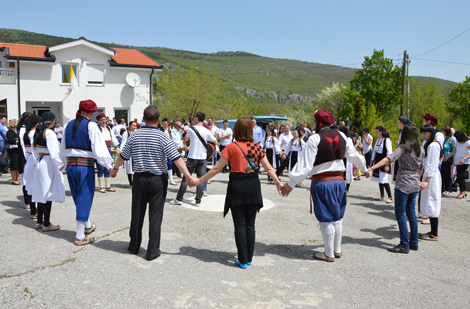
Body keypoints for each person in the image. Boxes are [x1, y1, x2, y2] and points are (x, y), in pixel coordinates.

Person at [190, 117, 281, 268]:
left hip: (237, 186)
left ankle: (242, 259)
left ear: (237, 130)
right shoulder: (258, 147)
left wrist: (199, 181)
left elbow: (216, 168)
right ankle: (249, 258)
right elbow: (269, 168)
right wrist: (278, 183)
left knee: (239, 225)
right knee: (250, 225)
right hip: (253, 186)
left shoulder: (232, 147)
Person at [281, 110, 369, 262]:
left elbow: (305, 166)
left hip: (323, 183)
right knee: (337, 217)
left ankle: (328, 254)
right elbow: (354, 156)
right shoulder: (343, 136)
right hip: (340, 182)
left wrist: (291, 183)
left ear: (318, 123)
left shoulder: (315, 139)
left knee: (326, 218)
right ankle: (337, 250)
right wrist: (366, 169)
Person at [111, 106, 191, 261]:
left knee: (137, 213)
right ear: (159, 119)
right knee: (155, 216)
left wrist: (114, 169)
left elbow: (124, 155)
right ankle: (152, 251)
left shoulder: (135, 135)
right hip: (157, 180)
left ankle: (134, 246)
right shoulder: (162, 136)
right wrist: (187, 176)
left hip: (139, 179)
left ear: (143, 118)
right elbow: (176, 158)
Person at [60, 101, 114, 245]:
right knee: (85, 197)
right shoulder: (91, 126)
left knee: (78, 196)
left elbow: (63, 148)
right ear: (91, 113)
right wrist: (109, 166)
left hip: (71, 165)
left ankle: (88, 225)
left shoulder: (67, 125)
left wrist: (64, 164)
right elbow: (99, 149)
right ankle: (79, 236)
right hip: (85, 165)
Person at [368, 125, 424, 253]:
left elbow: (389, 158)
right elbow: (421, 167)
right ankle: (414, 242)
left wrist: (373, 167)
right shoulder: (420, 149)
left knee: (400, 214)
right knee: (411, 213)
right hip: (414, 182)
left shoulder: (403, 148)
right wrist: (417, 179)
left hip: (403, 182)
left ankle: (404, 244)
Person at [170, 112, 218, 206]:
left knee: (186, 178)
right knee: (200, 179)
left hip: (192, 157)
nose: (194, 118)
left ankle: (179, 199)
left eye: (194, 117)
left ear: (196, 118)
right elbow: (215, 142)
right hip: (202, 158)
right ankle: (198, 200)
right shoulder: (206, 131)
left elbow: (186, 139)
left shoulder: (191, 129)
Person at [31, 112, 65, 232]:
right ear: (50, 121)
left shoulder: (37, 131)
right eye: (54, 121)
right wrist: (61, 166)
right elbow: (54, 152)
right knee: (48, 192)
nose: (54, 123)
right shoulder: (49, 132)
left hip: (40, 161)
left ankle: (39, 221)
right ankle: (46, 223)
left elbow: (34, 149)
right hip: (48, 162)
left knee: (41, 191)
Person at [415, 124, 442, 242]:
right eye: (422, 133)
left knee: (432, 203)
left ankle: (434, 233)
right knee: (429, 203)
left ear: (431, 133)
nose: (423, 135)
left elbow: (432, 163)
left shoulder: (434, 145)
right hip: (429, 176)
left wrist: (426, 180)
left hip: (431, 178)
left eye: (425, 133)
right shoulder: (429, 145)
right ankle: (432, 231)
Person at [96, 113, 119, 193]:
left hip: (108, 150)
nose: (103, 121)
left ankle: (108, 186)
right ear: (98, 120)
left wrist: (116, 148)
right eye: (101, 120)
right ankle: (101, 187)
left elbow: (113, 139)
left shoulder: (108, 128)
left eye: (104, 119)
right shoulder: (97, 129)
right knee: (100, 168)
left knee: (108, 167)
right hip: (100, 151)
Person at [22, 114, 40, 218]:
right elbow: (34, 149)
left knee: (31, 185)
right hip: (33, 160)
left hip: (29, 159)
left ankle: (33, 209)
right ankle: (34, 211)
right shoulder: (33, 133)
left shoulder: (26, 133)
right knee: (34, 185)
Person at [371, 126, 393, 203]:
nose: (376, 133)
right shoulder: (377, 140)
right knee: (379, 178)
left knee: (384, 179)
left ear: (381, 132)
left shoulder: (387, 140)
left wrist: (387, 164)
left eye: (377, 132)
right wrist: (371, 162)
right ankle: (382, 196)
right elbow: (374, 151)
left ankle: (390, 197)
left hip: (384, 161)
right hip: (377, 161)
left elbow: (389, 153)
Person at [161, 118, 183, 186]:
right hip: (161, 149)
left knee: (170, 163)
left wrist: (180, 146)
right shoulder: (159, 130)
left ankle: (171, 179)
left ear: (168, 124)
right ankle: (163, 179)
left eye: (165, 124)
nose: (164, 125)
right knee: (162, 164)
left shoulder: (170, 131)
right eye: (163, 124)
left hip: (168, 149)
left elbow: (174, 139)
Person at [392, 116, 413, 183]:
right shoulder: (401, 133)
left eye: (399, 122)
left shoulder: (407, 133)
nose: (398, 124)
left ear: (403, 123)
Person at [452, 131, 470, 199]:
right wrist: (451, 158)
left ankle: (462, 191)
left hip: (465, 161)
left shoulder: (467, 142)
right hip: (458, 161)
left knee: (460, 175)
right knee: (459, 176)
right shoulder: (457, 143)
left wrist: (464, 159)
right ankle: (463, 191)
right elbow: (455, 151)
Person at [441, 127, 456, 195]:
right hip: (441, 158)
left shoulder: (452, 139)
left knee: (447, 174)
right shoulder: (442, 139)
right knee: (442, 173)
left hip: (448, 157)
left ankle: (448, 188)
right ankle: (442, 188)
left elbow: (454, 150)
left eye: (443, 131)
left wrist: (453, 160)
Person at [121, 121, 136, 188]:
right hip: (129, 152)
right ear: (129, 126)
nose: (134, 127)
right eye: (133, 125)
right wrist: (122, 151)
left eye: (135, 125)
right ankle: (131, 183)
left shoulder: (137, 132)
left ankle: (136, 182)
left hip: (135, 152)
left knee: (135, 168)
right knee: (129, 168)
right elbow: (124, 142)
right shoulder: (126, 133)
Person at [339, 126, 354, 193]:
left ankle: (347, 188)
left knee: (348, 174)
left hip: (347, 159)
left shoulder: (349, 139)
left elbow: (351, 150)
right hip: (341, 158)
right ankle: (341, 188)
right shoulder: (338, 138)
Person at [6, 119, 21, 185]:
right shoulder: (10, 131)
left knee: (17, 165)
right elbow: (10, 140)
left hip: (16, 149)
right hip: (12, 150)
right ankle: (13, 179)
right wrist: (17, 141)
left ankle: (18, 178)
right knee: (13, 165)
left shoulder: (15, 131)